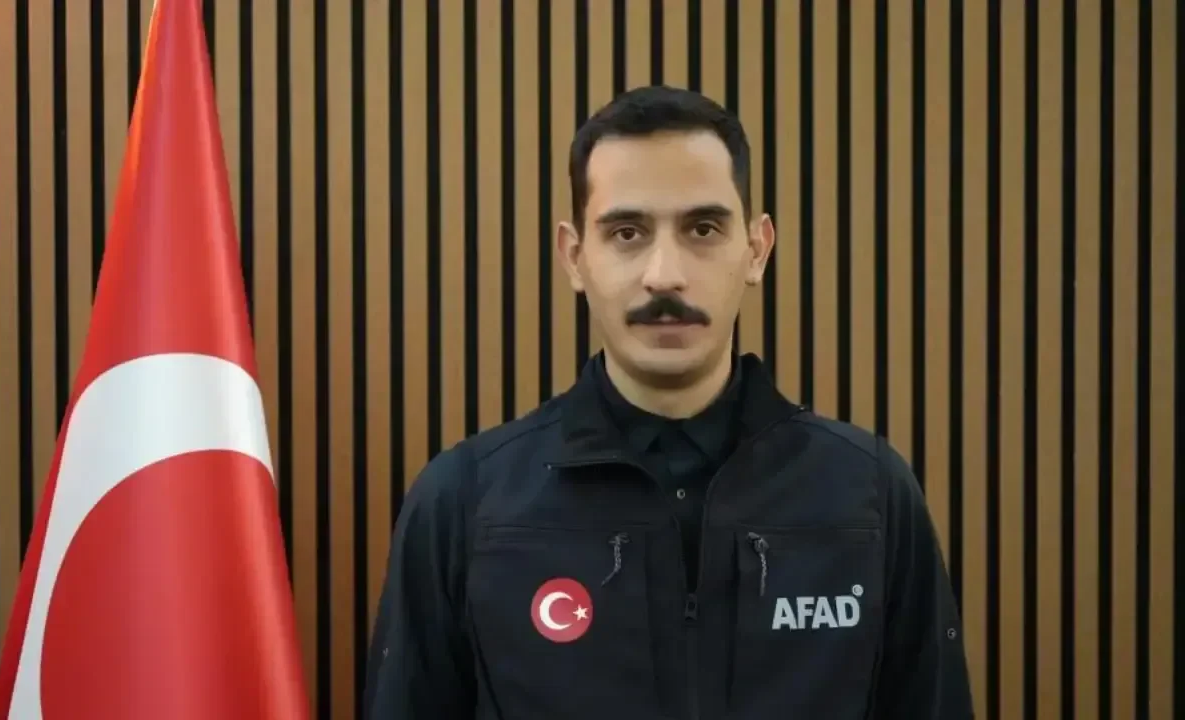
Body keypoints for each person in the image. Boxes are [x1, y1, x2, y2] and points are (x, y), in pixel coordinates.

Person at [363, 85, 974, 719]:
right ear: (575, 257)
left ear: (757, 250)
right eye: (627, 232)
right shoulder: (463, 505)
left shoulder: (868, 495)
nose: (664, 275)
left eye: (703, 228)